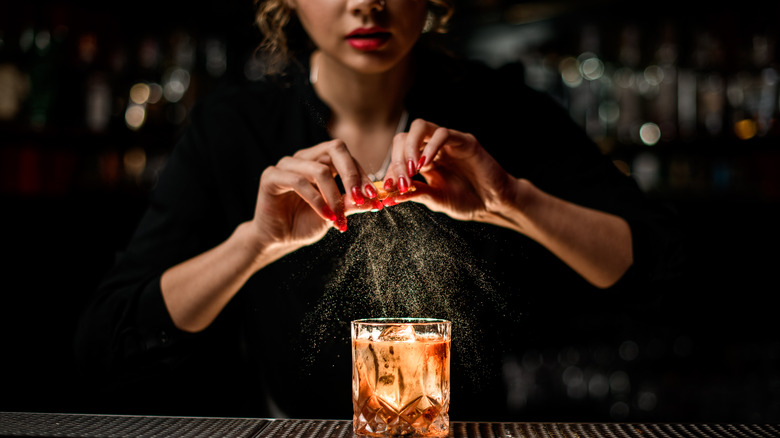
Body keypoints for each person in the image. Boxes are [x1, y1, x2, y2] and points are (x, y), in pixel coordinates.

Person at [74, 0, 682, 421]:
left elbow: (656, 268)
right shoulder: (232, 129)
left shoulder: (505, 111)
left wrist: (512, 201)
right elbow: (110, 341)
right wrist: (253, 244)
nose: (367, 4)